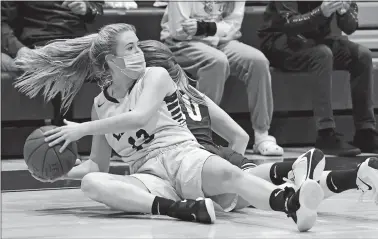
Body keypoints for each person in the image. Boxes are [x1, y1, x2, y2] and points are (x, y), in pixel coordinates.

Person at [15, 23, 324, 232]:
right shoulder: (99, 105)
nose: (139, 54)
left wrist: (83, 129)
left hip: (181, 154)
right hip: (148, 175)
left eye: (138, 48)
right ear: (111, 60)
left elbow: (139, 116)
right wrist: (56, 171)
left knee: (232, 175)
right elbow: (97, 163)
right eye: (131, 49)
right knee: (93, 183)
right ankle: (179, 209)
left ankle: (291, 204)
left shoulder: (155, 76)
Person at [138, 39, 378, 210]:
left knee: (285, 197)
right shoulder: (193, 92)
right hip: (219, 158)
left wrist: (224, 181)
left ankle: (297, 167)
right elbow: (240, 137)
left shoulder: (148, 102)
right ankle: (356, 175)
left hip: (197, 163)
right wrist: (228, 169)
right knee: (294, 193)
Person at [160, 1, 284, 156]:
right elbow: (179, 30)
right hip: (182, 44)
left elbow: (233, 28)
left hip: (219, 42)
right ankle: (199, 135)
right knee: (217, 61)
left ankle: (262, 135)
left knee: (258, 61)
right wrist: (217, 30)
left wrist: (204, 27)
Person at [258, 1, 378, 156]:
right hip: (279, 40)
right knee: (322, 54)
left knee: (362, 55)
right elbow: (288, 23)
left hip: (317, 38)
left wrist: (343, 12)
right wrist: (320, 13)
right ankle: (325, 133)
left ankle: (365, 131)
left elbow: (350, 27)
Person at [1, 1, 104, 124]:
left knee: (119, 62)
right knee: (61, 67)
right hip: (39, 41)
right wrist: (18, 49)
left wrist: (86, 7)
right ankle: (63, 131)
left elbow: (97, 7)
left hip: (79, 40)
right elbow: (2, 21)